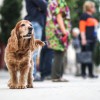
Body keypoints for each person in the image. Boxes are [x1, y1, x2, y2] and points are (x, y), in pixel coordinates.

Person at [46, 0, 71, 82]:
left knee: (58, 53)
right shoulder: (60, 2)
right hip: (58, 31)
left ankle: (57, 75)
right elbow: (59, 16)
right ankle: (56, 76)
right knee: (60, 52)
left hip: (51, 30)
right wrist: (64, 31)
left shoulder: (52, 2)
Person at [25, 0, 47, 80]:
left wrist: (41, 7)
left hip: (33, 23)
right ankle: (31, 75)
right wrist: (42, 6)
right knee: (33, 49)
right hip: (35, 23)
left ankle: (30, 74)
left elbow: (43, 7)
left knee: (31, 50)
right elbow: (44, 6)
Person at [79, 1, 98, 78]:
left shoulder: (92, 17)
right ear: (89, 8)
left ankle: (90, 73)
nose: (95, 8)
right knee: (85, 55)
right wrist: (83, 39)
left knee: (90, 56)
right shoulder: (84, 16)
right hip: (86, 39)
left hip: (92, 39)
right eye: (93, 7)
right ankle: (83, 73)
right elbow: (82, 28)